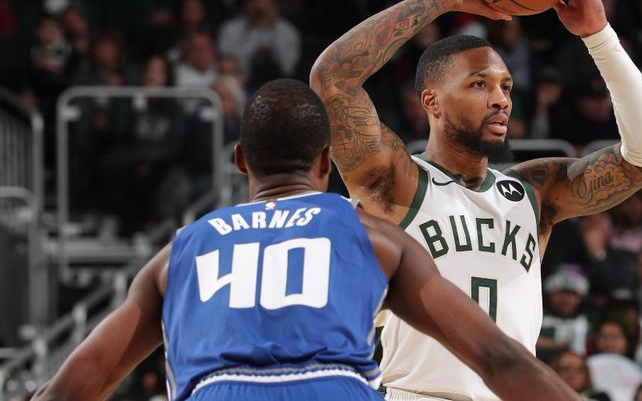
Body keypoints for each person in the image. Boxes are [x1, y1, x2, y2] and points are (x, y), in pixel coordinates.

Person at [32, 79, 579, 401]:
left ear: (242, 161)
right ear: (325, 163)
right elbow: (500, 359)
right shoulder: (376, 240)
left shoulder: (180, 252)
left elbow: (68, 391)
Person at [310, 0, 642, 400]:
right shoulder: (396, 181)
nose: (501, 98)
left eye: (505, 85)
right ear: (432, 102)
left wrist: (598, 35)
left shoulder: (534, 191)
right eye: (479, 84)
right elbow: (332, 77)